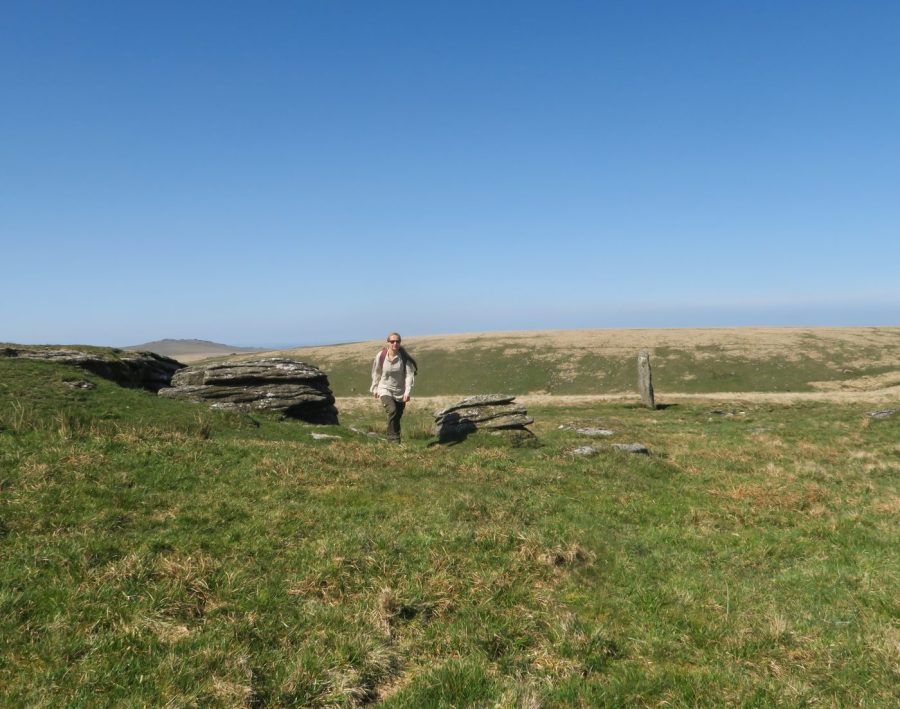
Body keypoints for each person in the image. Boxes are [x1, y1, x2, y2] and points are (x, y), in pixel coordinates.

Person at [370, 332, 418, 443]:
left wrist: (407, 392)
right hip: (385, 389)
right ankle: (393, 439)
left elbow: (409, 376)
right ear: (388, 343)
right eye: (392, 341)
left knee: (397, 416)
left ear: (400, 343)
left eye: (397, 341)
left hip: (400, 392)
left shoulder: (404, 358)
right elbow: (376, 373)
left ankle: (395, 437)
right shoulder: (381, 356)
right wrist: (375, 388)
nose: (395, 343)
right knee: (392, 410)